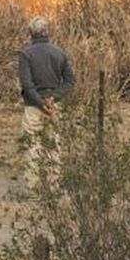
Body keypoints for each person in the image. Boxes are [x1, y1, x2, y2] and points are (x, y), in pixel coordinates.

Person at [18, 15, 74, 192]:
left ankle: (33, 188)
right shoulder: (60, 53)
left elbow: (27, 85)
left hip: (34, 107)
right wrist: (54, 98)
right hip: (54, 106)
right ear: (47, 32)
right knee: (53, 145)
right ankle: (53, 186)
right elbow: (70, 81)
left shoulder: (26, 55)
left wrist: (40, 103)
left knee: (33, 145)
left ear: (30, 33)